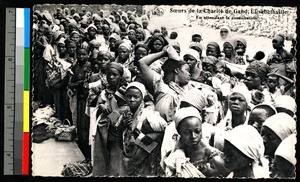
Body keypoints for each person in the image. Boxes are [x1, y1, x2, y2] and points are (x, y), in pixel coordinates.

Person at [163, 107, 230, 177]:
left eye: (197, 131)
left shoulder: (213, 158)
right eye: (187, 132)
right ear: (178, 132)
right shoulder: (177, 155)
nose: (193, 136)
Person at [118, 82, 166, 176]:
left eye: (136, 97)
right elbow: (120, 145)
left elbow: (166, 131)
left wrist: (155, 135)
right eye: (129, 96)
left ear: (142, 98)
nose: (132, 99)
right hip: (128, 160)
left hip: (146, 162)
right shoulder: (123, 116)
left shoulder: (149, 114)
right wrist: (121, 127)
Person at [92, 62, 129, 176]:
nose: (111, 77)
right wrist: (101, 107)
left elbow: (125, 110)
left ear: (121, 76)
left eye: (115, 74)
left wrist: (111, 114)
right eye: (109, 74)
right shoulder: (104, 91)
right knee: (102, 156)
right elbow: (95, 105)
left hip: (120, 130)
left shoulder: (126, 91)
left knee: (116, 159)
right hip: (105, 129)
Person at [138, 46, 193, 122]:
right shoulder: (161, 84)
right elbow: (142, 63)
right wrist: (163, 53)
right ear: (177, 70)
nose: (189, 74)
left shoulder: (186, 90)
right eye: (186, 70)